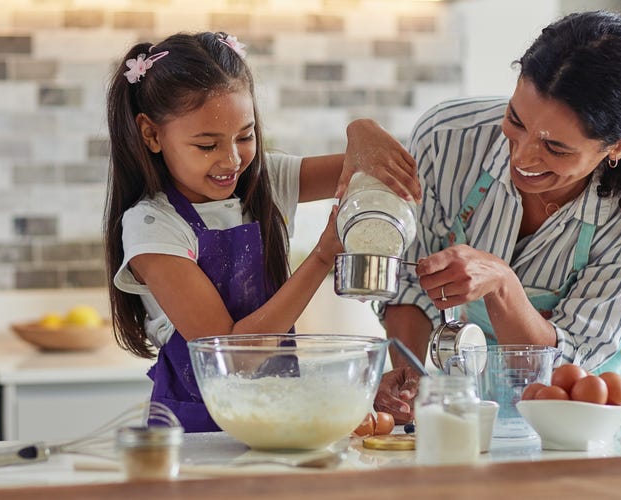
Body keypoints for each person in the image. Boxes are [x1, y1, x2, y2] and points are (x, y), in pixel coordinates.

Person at [373, 10, 621, 424]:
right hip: (461, 397)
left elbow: (567, 361)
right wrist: (414, 378)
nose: (522, 157)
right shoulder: (446, 138)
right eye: (515, 120)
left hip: (578, 414)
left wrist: (502, 284)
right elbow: (409, 285)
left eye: (556, 148)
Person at [103, 31, 418, 432]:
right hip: (197, 434)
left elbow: (370, 167)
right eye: (206, 145)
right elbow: (235, 357)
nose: (232, 160)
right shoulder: (153, 228)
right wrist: (323, 256)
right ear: (151, 134)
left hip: (274, 418)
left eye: (245, 136)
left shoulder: (264, 182)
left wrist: (362, 127)